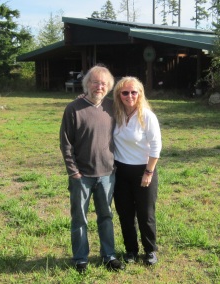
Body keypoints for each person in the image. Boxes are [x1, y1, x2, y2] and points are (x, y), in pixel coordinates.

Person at [59, 65, 125, 273]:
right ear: (87, 84)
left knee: (106, 216)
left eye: (104, 83)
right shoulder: (73, 108)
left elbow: (136, 104)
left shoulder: (113, 107)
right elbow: (66, 142)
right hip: (82, 175)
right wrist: (74, 172)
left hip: (107, 173)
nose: (99, 86)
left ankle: (109, 256)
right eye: (95, 82)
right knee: (80, 218)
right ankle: (80, 258)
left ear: (109, 87)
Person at [112, 76, 162, 266]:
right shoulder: (115, 113)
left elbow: (156, 146)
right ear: (119, 94)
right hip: (120, 171)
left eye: (134, 92)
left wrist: (148, 172)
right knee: (125, 214)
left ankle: (150, 250)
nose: (130, 96)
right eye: (125, 92)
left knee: (145, 213)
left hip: (144, 170)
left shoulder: (147, 116)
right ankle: (131, 250)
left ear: (140, 93)